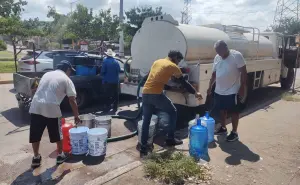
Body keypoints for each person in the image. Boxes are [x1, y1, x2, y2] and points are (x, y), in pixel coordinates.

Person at [140, 50, 203, 156]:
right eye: (178, 60)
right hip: (156, 94)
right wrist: (195, 93)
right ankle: (170, 139)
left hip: (145, 93)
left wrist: (170, 87)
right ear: (174, 57)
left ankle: (143, 148)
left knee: (146, 120)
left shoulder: (157, 62)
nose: (178, 63)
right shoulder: (173, 66)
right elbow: (184, 82)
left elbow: (153, 78)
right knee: (173, 111)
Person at [29, 60, 81, 168]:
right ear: (67, 69)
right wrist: (76, 116)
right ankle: (61, 155)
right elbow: (72, 99)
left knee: (35, 134)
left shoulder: (46, 74)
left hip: (35, 105)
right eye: (70, 71)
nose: (70, 73)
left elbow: (35, 88)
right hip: (51, 106)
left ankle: (36, 157)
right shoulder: (67, 79)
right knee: (57, 133)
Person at [207, 40, 247, 142]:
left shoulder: (236, 56)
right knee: (221, 109)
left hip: (232, 90)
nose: (219, 54)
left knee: (234, 111)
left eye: (220, 51)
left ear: (226, 47)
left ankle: (234, 132)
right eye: (217, 52)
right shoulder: (217, 57)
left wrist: (242, 87)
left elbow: (243, 72)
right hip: (219, 90)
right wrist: (210, 86)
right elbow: (214, 73)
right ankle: (223, 128)